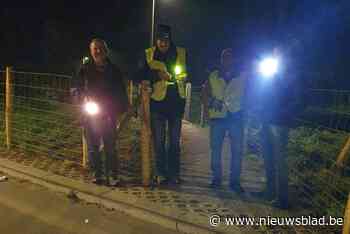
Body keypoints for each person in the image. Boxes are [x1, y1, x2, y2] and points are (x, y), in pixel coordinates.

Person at [249, 46, 304, 209]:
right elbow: (264, 93)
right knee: (268, 158)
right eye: (274, 54)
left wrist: (283, 113)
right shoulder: (273, 74)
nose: (276, 57)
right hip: (267, 120)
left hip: (280, 123)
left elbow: (299, 100)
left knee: (280, 161)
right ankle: (270, 191)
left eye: (278, 54)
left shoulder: (293, 75)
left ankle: (282, 198)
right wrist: (260, 106)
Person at [135, 24, 189, 185]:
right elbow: (138, 74)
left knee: (174, 143)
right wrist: (157, 75)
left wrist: (183, 76)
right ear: (156, 40)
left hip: (176, 104)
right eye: (160, 39)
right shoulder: (148, 54)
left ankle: (174, 174)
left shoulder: (181, 53)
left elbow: (189, 72)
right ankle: (160, 173)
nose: (162, 43)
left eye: (165, 39)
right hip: (157, 104)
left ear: (170, 39)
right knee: (159, 142)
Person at [71, 38, 128, 186]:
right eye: (94, 48)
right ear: (91, 51)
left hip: (108, 114)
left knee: (110, 147)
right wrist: (80, 98)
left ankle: (113, 175)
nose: (97, 51)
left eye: (100, 48)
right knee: (93, 147)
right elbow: (76, 88)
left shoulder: (114, 70)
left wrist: (122, 108)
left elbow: (121, 91)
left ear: (106, 50)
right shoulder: (84, 69)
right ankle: (98, 175)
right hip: (90, 114)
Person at [201, 48, 247, 193]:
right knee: (215, 149)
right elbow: (204, 93)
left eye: (230, 57)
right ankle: (216, 179)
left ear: (234, 60)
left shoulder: (243, 76)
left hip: (236, 117)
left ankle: (235, 182)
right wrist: (209, 105)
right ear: (221, 60)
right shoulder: (213, 75)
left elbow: (251, 93)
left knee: (237, 151)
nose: (227, 60)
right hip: (218, 118)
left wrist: (247, 109)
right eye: (224, 58)